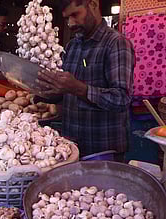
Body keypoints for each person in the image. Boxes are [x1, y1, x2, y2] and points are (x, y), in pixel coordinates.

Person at [36, 0, 135, 161]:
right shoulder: (72, 46)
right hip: (70, 148)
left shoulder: (116, 43)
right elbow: (66, 93)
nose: (71, 23)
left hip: (103, 152)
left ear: (93, 5)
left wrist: (78, 88)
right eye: (67, 18)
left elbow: (121, 99)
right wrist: (42, 92)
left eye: (75, 14)